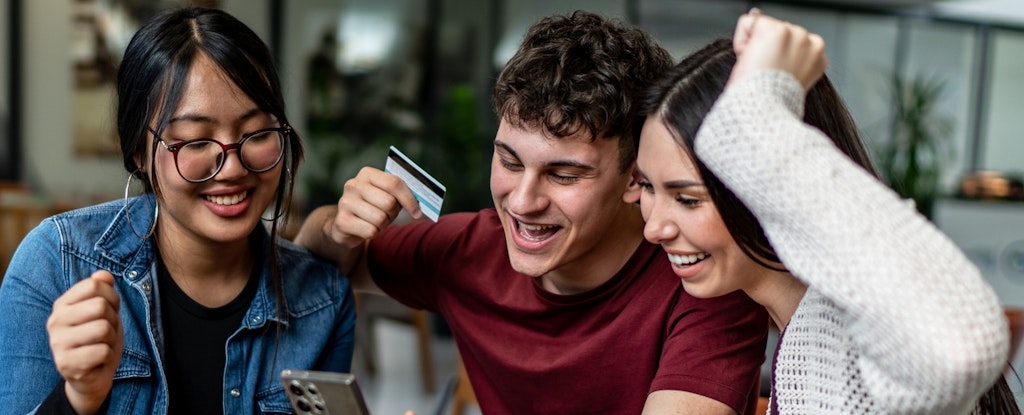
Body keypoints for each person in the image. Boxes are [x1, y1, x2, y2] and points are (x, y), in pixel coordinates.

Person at [296, 10, 769, 415]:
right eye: (509, 160)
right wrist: (339, 228)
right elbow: (319, 262)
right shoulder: (470, 249)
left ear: (636, 176)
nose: (522, 202)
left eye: (564, 175)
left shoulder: (703, 282)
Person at [633, 10, 1013, 414]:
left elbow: (958, 353)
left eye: (688, 199)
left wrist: (754, 121)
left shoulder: (858, 341)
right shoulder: (804, 339)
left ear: (768, 177)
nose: (654, 228)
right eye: (646, 187)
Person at [0, 7, 357, 414]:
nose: (234, 167)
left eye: (257, 133)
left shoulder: (324, 302)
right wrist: (79, 398)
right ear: (139, 152)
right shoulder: (56, 264)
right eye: (194, 140)